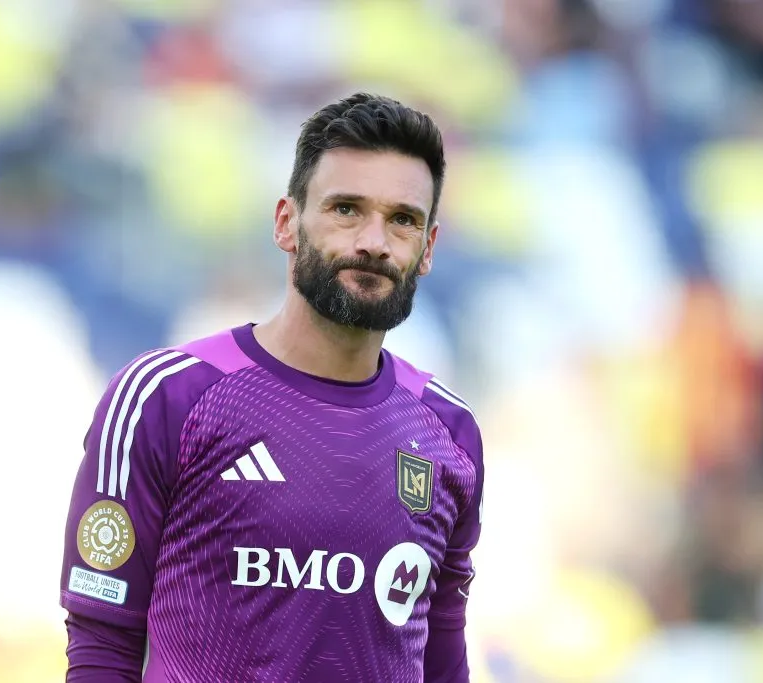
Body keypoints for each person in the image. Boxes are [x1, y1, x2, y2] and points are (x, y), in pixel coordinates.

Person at [60, 92, 485, 682]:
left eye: (402, 220)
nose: (373, 241)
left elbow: (441, 659)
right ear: (287, 223)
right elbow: (103, 647)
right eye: (345, 209)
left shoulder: (450, 433)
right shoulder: (166, 399)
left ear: (428, 249)